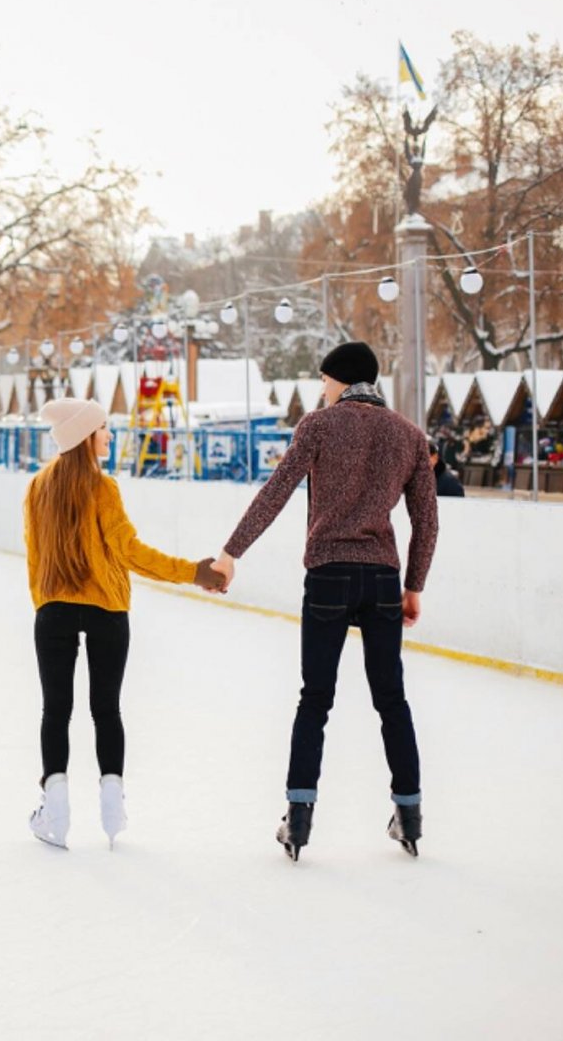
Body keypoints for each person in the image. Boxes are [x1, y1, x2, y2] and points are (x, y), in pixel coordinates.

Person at [211, 341, 438, 861]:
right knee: (391, 699)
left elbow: (275, 491)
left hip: (329, 577)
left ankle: (299, 816)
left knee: (316, 698)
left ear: (341, 380)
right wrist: (414, 586)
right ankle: (409, 813)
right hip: (382, 578)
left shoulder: (318, 425)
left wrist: (230, 552)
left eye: (324, 382)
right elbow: (427, 520)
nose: (322, 390)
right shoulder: (409, 436)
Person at [23, 397, 227, 849]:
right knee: (106, 709)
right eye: (103, 429)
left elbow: (34, 560)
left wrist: (47, 604)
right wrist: (192, 572)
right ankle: (112, 801)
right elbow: (130, 552)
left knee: (55, 711)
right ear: (84, 437)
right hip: (108, 612)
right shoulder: (103, 488)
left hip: (53, 610)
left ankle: (54, 809)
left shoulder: (37, 487)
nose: (109, 436)